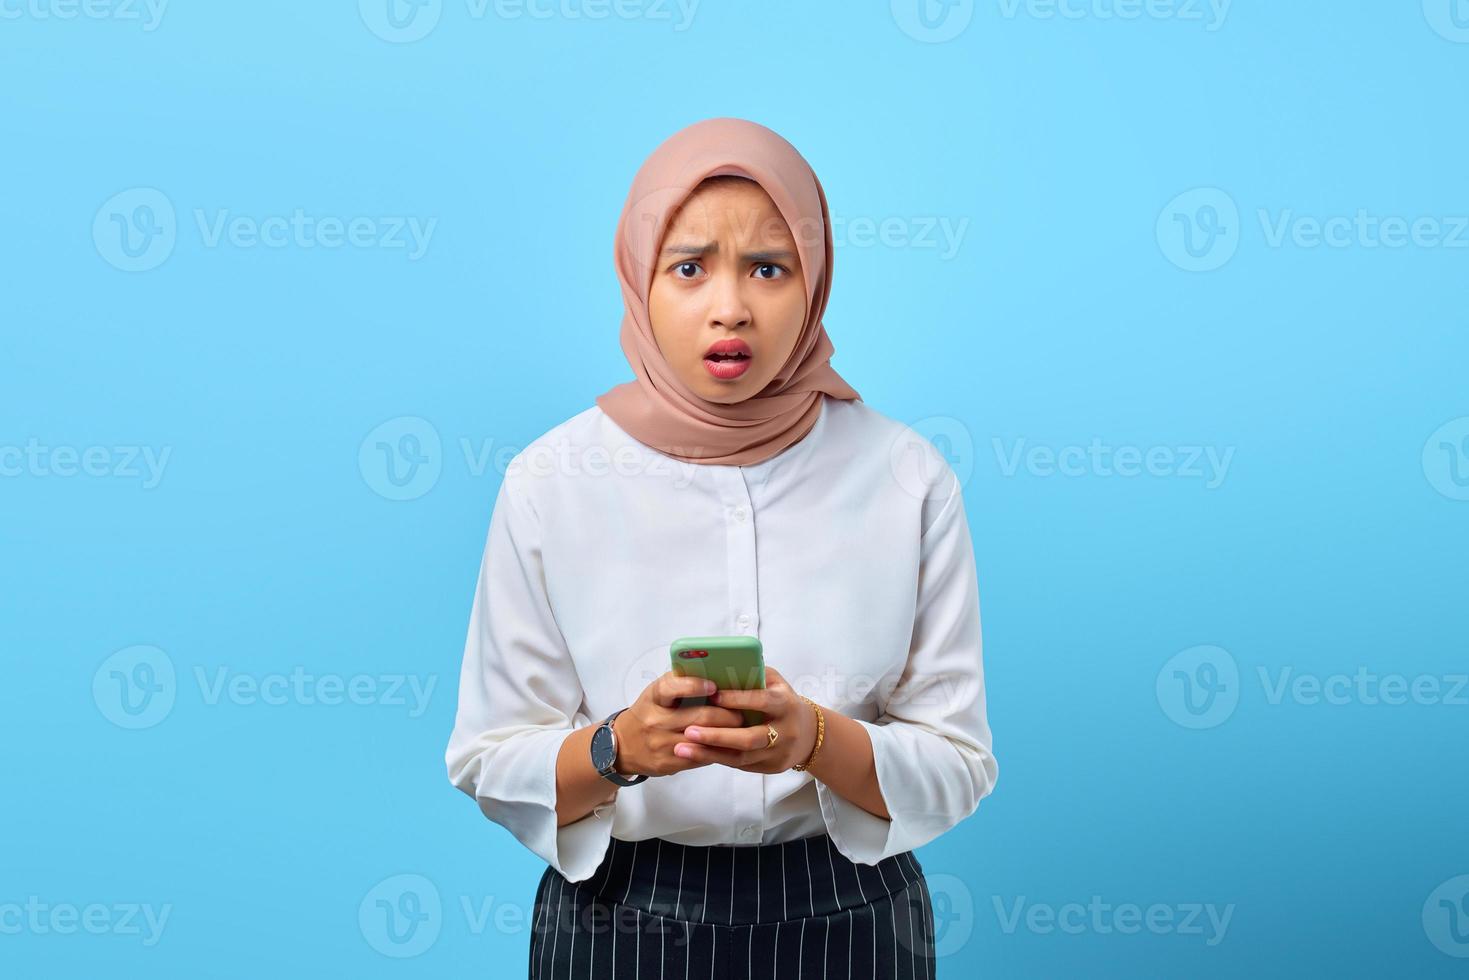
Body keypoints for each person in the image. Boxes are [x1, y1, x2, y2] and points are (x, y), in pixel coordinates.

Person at [445, 116, 998, 979]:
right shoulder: (551, 481)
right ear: (639, 278)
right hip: (618, 919)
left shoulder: (905, 476)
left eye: (768, 268)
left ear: (813, 283)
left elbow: (958, 761)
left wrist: (815, 739)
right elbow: (487, 756)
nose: (730, 305)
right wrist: (618, 747)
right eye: (690, 266)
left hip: (849, 918)